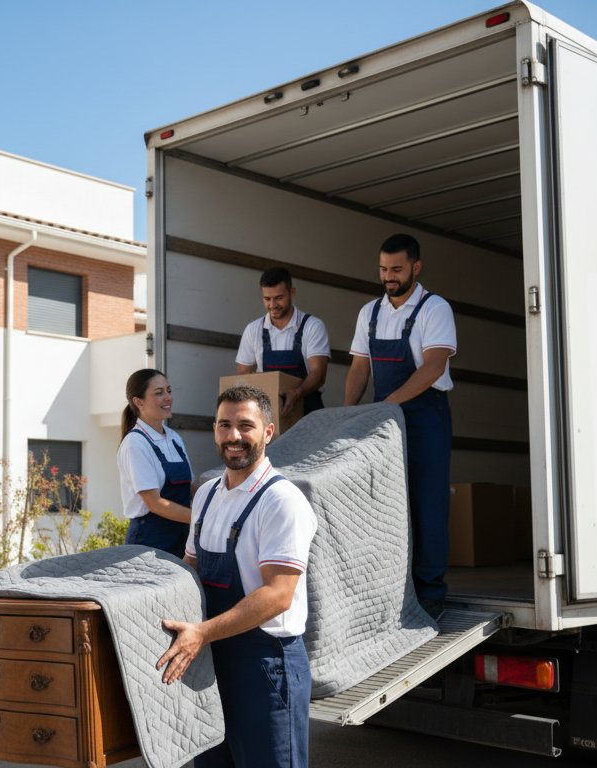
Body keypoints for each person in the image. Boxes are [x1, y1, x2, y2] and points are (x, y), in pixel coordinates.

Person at [157, 385, 317, 768]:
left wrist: (202, 633)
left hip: (264, 666)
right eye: (224, 425)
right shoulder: (207, 495)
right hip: (211, 659)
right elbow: (191, 568)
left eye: (246, 425)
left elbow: (278, 594)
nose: (233, 436)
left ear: (268, 432)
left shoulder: (281, 501)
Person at [342, 233, 456, 619]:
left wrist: (387, 405)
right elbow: (360, 367)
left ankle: (431, 592)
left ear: (416, 268)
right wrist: (346, 415)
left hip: (425, 417)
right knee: (386, 506)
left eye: (396, 269)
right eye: (383, 269)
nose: (388, 277)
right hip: (383, 422)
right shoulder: (368, 313)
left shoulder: (433, 308)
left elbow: (434, 365)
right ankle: (392, 590)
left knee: (427, 503)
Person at [117, 368, 193, 559]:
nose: (168, 397)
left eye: (168, 390)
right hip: (149, 539)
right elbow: (155, 503)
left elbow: (190, 487)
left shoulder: (174, 438)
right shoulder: (135, 443)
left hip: (180, 533)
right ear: (138, 401)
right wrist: (201, 519)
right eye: (159, 393)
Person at [235, 267, 331, 417]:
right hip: (268, 414)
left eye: (279, 298)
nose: (272, 305)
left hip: (308, 414)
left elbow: (318, 374)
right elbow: (242, 374)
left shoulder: (313, 326)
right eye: (267, 299)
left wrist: (297, 393)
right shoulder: (253, 330)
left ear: (292, 293)